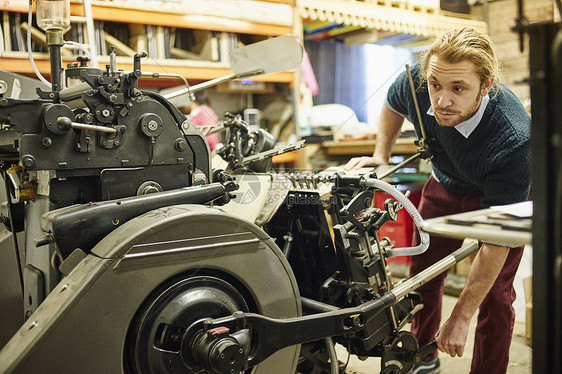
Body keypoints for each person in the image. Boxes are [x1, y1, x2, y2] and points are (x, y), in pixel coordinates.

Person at [345, 27, 530, 374]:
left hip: (495, 196)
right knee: (424, 272)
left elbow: (495, 245)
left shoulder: (514, 139)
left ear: (486, 85)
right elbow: (391, 102)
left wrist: (460, 317)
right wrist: (380, 154)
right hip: (443, 184)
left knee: (496, 295)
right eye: (435, 85)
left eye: (458, 89)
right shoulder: (419, 81)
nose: (442, 100)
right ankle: (423, 356)